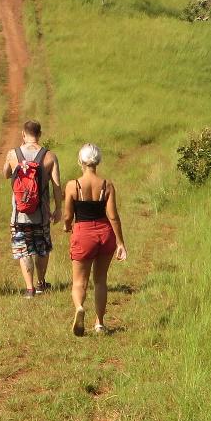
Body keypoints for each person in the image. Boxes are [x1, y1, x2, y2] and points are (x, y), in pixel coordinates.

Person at [62, 143, 126, 335]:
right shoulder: (107, 185)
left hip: (83, 233)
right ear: (98, 161)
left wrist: (66, 226)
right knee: (100, 281)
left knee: (79, 282)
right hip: (105, 233)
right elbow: (113, 216)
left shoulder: (73, 185)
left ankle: (79, 307)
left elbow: (67, 215)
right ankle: (99, 323)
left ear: (80, 161)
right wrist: (120, 242)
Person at [3, 120, 61, 298]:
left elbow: (5, 174)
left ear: (23, 134)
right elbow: (57, 186)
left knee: (23, 248)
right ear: (40, 134)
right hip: (41, 213)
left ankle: (29, 289)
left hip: (19, 214)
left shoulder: (13, 154)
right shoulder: (50, 156)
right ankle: (41, 283)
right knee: (41, 247)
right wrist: (58, 208)